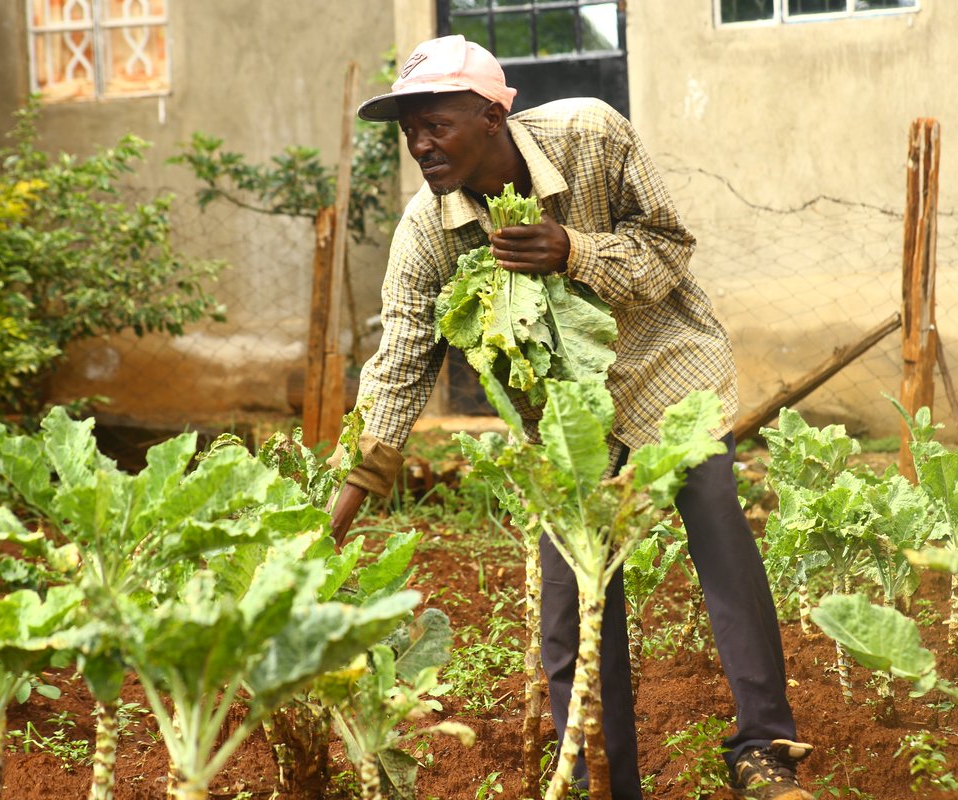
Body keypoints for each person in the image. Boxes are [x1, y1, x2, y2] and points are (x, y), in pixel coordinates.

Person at [327, 34, 813, 800]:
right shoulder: (427, 229)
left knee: (715, 515)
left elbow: (667, 250)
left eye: (435, 122)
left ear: (492, 115)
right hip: (564, 419)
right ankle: (595, 778)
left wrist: (573, 251)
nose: (419, 143)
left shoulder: (590, 134)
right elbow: (399, 362)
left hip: (665, 369)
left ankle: (765, 750)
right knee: (571, 601)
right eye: (407, 129)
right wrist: (345, 502)